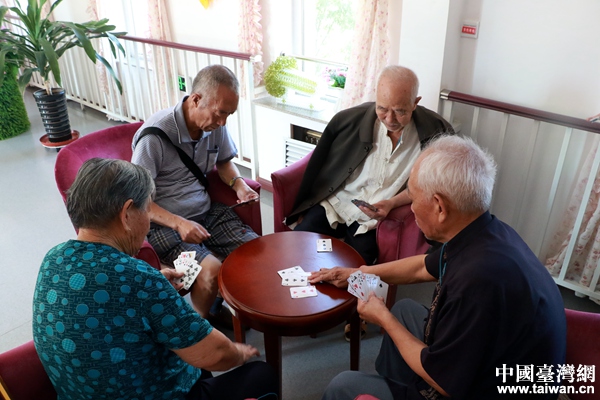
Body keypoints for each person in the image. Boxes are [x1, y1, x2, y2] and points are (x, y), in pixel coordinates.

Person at [309, 135, 566, 399]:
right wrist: (358, 272)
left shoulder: (477, 280)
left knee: (343, 386)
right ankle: (395, 385)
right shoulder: (486, 231)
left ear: (440, 207)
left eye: (413, 198)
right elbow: (421, 267)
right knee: (405, 310)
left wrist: (383, 318)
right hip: (497, 357)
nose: (411, 208)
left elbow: (444, 382)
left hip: (487, 389)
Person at [32, 158, 277, 399]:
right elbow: (217, 355)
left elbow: (98, 300)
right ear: (126, 214)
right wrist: (240, 353)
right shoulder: (138, 279)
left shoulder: (52, 258)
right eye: (146, 210)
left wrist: (153, 284)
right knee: (262, 374)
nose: (148, 223)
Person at [287, 65, 454, 266]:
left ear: (415, 103)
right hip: (337, 203)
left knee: (355, 270)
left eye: (400, 111)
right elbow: (321, 166)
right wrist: (309, 203)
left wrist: (391, 203)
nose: (390, 119)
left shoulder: (436, 133)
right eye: (382, 108)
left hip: (373, 221)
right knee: (296, 247)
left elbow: (429, 185)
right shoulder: (350, 120)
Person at [131, 65, 259, 319]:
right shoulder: (154, 137)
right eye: (220, 113)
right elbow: (138, 199)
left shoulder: (214, 127)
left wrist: (240, 186)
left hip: (206, 212)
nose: (223, 122)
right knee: (210, 269)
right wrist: (179, 223)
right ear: (196, 99)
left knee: (255, 250)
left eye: (229, 114)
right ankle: (199, 327)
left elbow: (224, 162)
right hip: (164, 226)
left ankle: (213, 304)